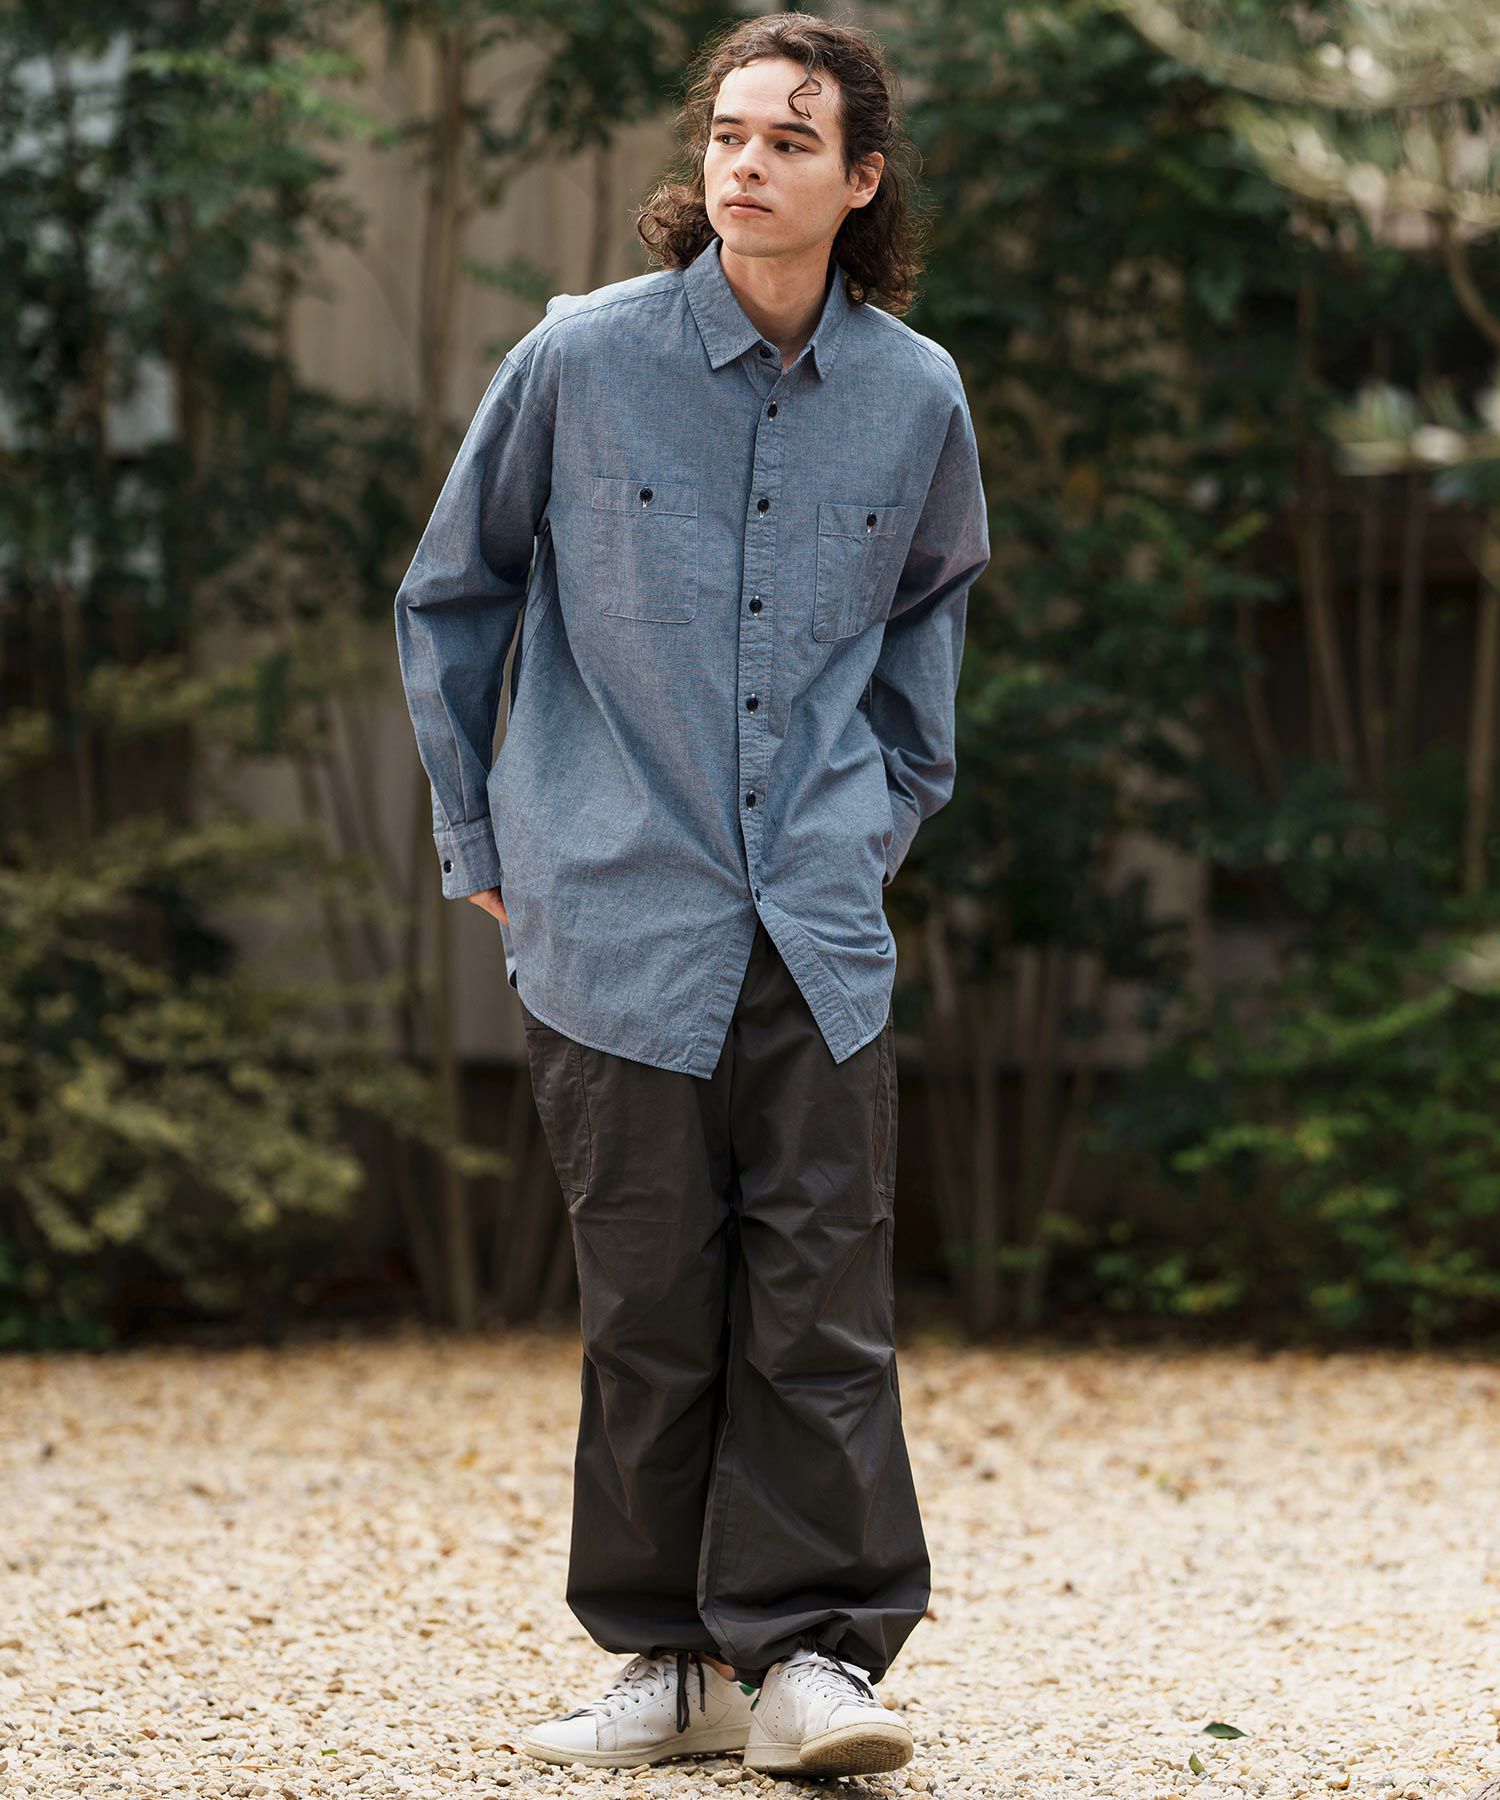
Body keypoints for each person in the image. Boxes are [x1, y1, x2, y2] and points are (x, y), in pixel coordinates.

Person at [393, 9, 990, 1781]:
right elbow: (451, 596)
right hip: (612, 914)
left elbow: (927, 625)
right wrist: (486, 844)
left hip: (816, 922)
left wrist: (874, 824)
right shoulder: (580, 358)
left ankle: (813, 1660)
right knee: (651, 1306)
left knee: (824, 1306)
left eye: (792, 139)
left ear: (859, 179)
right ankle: (666, 1665)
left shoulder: (918, 395)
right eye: (730, 133)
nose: (747, 163)